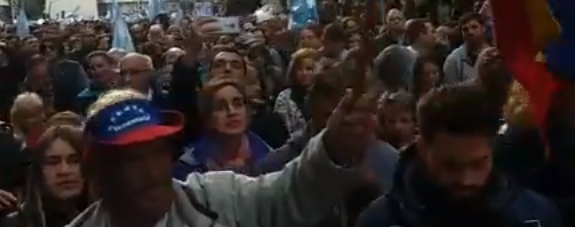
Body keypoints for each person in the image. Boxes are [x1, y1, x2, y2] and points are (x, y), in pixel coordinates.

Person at [68, 86, 377, 227]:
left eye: (157, 153)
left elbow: (288, 194)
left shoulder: (218, 196)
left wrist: (333, 147)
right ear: (100, 174)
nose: (151, 171)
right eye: (133, 160)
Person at [357, 84, 563, 227]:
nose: (466, 179)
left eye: (478, 164)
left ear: (492, 150)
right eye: (450, 165)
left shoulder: (535, 218)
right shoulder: (380, 222)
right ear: (422, 148)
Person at [1, 125, 89, 227]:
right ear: (39, 171)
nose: (64, 171)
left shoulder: (107, 217)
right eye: (53, 162)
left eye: (74, 161)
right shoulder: (15, 223)